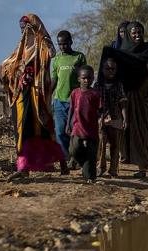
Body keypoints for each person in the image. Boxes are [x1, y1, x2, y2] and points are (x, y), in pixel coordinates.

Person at [2, 14, 67, 181]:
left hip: (39, 96)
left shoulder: (42, 45)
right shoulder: (20, 49)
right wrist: (17, 72)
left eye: (26, 28)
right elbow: (10, 65)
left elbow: (52, 54)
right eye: (21, 29)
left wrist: (43, 34)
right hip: (22, 95)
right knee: (22, 128)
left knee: (44, 127)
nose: (23, 32)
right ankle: (23, 167)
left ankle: (60, 162)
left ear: (34, 28)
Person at [99, 21, 148, 178]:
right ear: (129, 34)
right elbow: (113, 72)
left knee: (147, 131)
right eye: (134, 33)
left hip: (146, 97)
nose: (137, 35)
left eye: (140, 32)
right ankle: (133, 165)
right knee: (128, 133)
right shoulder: (121, 52)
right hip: (126, 98)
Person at [51, 30, 87, 163]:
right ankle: (65, 158)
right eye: (60, 44)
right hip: (59, 100)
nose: (62, 47)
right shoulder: (57, 60)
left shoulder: (79, 57)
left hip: (75, 101)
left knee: (75, 131)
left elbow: (85, 77)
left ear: (71, 42)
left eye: (65, 44)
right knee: (60, 131)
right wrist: (48, 95)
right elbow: (54, 80)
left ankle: (76, 157)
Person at [66, 65, 100, 182]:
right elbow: (71, 108)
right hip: (77, 127)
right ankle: (81, 163)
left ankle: (90, 176)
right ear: (79, 79)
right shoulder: (75, 93)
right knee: (73, 150)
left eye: (90, 78)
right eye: (84, 78)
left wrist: (103, 119)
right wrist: (67, 124)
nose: (87, 80)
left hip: (92, 129)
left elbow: (101, 109)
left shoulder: (95, 94)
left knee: (91, 154)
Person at [95, 57, 127, 177]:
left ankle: (113, 169)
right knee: (101, 143)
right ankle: (100, 167)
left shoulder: (118, 85)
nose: (110, 71)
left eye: (113, 69)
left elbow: (123, 102)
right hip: (102, 118)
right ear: (102, 70)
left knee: (115, 144)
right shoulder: (98, 85)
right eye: (107, 68)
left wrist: (125, 118)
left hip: (116, 117)